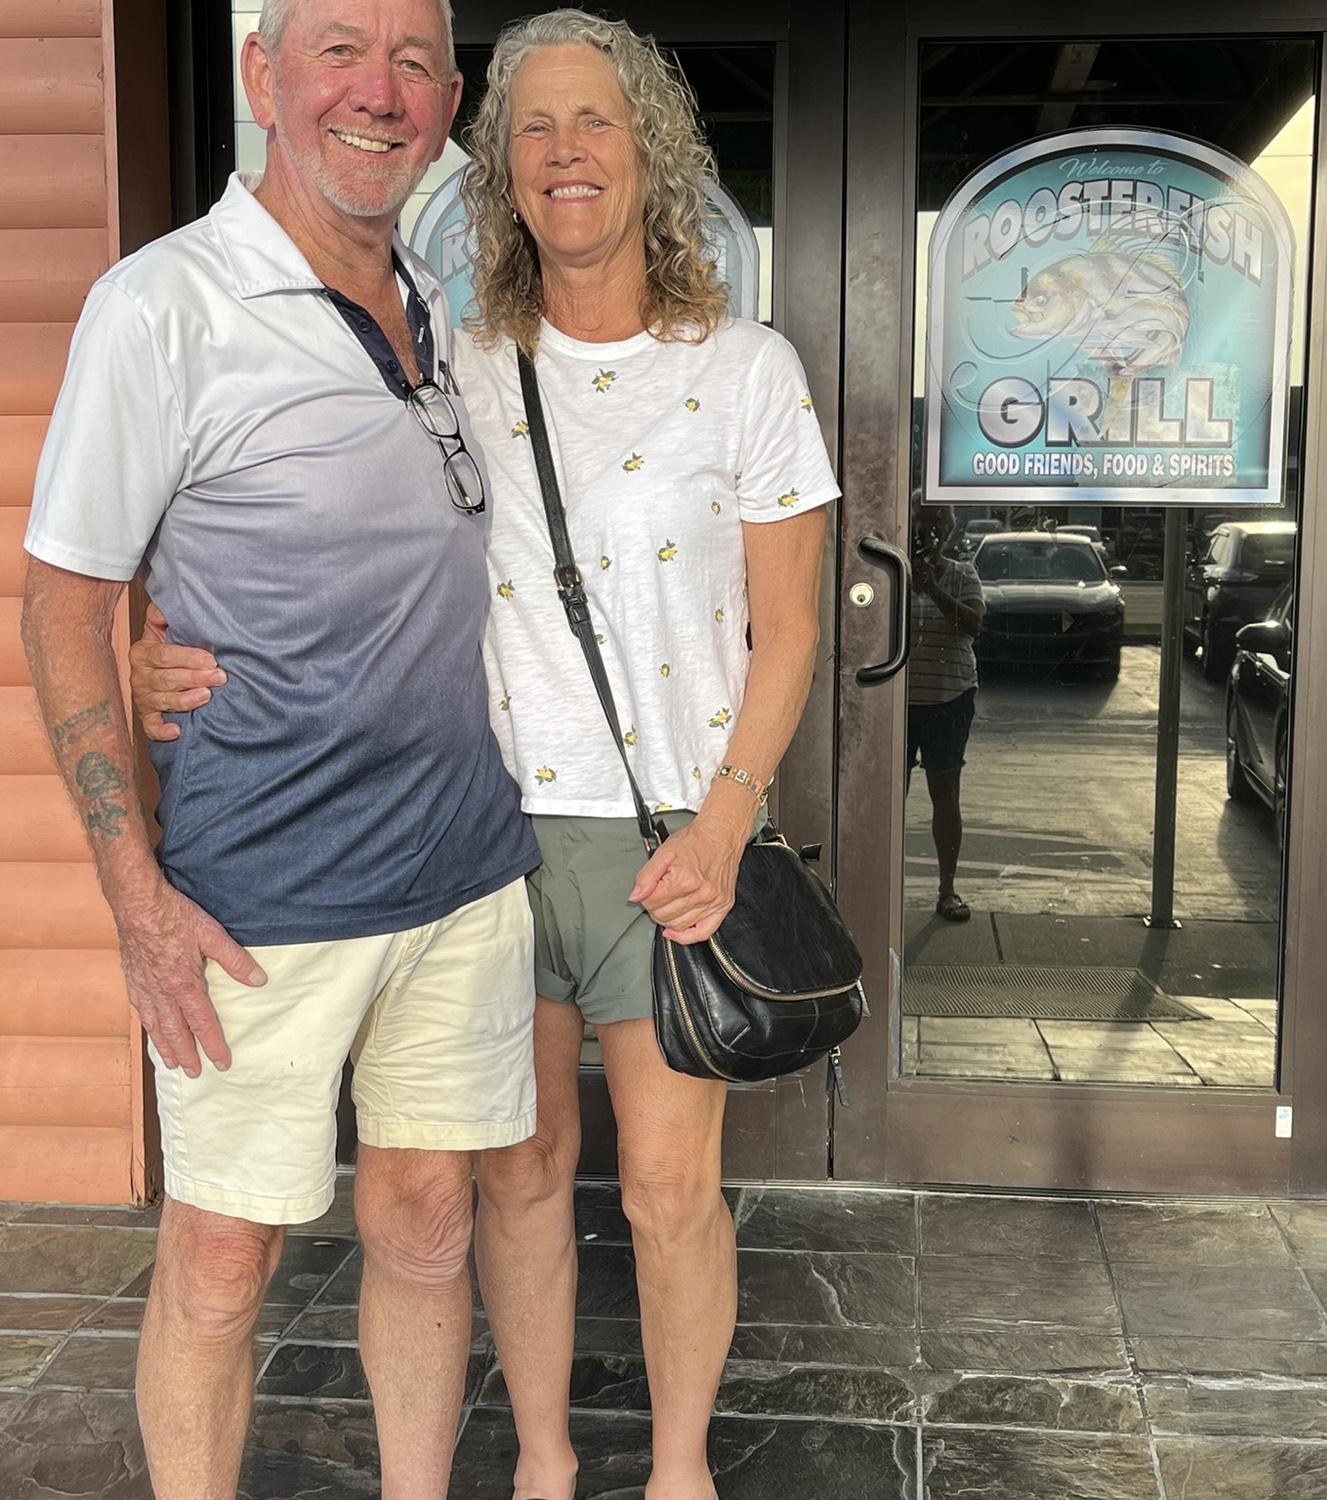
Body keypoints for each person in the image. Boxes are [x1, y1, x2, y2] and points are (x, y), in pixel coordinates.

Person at [133, 11, 837, 1497]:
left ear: (650, 152)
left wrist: (726, 822)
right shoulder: (451, 359)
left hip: (667, 838)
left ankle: (684, 1471)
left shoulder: (749, 371)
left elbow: (788, 634)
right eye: (534, 129)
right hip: (487, 837)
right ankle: (543, 1463)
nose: (566, 153)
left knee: (667, 1190)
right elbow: (313, 531)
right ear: (502, 170)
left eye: (596, 123)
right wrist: (151, 640)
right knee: (516, 1177)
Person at [22, 4, 540, 1498]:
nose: (377, 92)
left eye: (413, 63)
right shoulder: (162, 303)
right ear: (262, 75)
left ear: (448, 99)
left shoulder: (436, 296)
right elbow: (63, 600)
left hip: (464, 874)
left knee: (429, 1222)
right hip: (257, 900)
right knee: (220, 1261)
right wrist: (134, 895)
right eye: (338, 52)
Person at [906, 500, 985, 922]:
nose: (929, 531)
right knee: (887, 795)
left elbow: (974, 625)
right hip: (895, 702)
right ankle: (876, 885)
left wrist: (934, 589)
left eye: (937, 522)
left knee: (945, 793)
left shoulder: (962, 573)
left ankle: (947, 889)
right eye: (922, 521)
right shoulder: (894, 571)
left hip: (949, 698)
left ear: (949, 530)